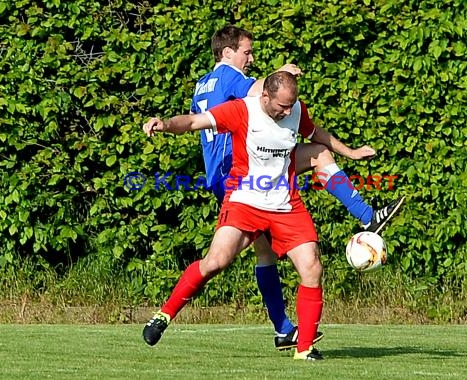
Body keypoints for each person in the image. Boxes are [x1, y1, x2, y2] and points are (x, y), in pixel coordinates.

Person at [145, 25, 405, 352]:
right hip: (241, 174)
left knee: (265, 253)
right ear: (227, 53)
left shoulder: (204, 82)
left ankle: (285, 331)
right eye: (246, 52)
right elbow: (257, 90)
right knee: (316, 159)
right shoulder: (229, 77)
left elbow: (288, 115)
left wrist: (349, 150)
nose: (250, 58)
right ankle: (367, 216)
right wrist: (281, 71)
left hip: (224, 175)